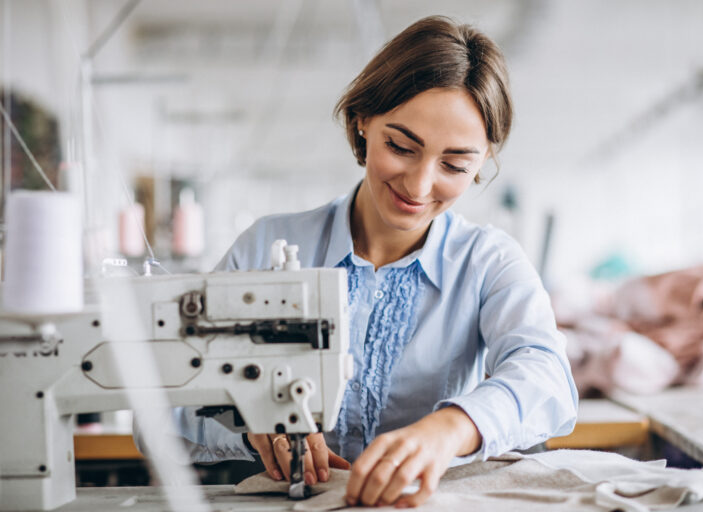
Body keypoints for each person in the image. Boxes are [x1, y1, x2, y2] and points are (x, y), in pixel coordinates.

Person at [173, 15, 577, 508]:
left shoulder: (488, 262)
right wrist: (251, 424)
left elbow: (546, 377)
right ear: (363, 120)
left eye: (454, 165)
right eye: (401, 147)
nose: (419, 185)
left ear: (483, 159)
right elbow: (171, 393)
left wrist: (449, 429)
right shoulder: (267, 245)